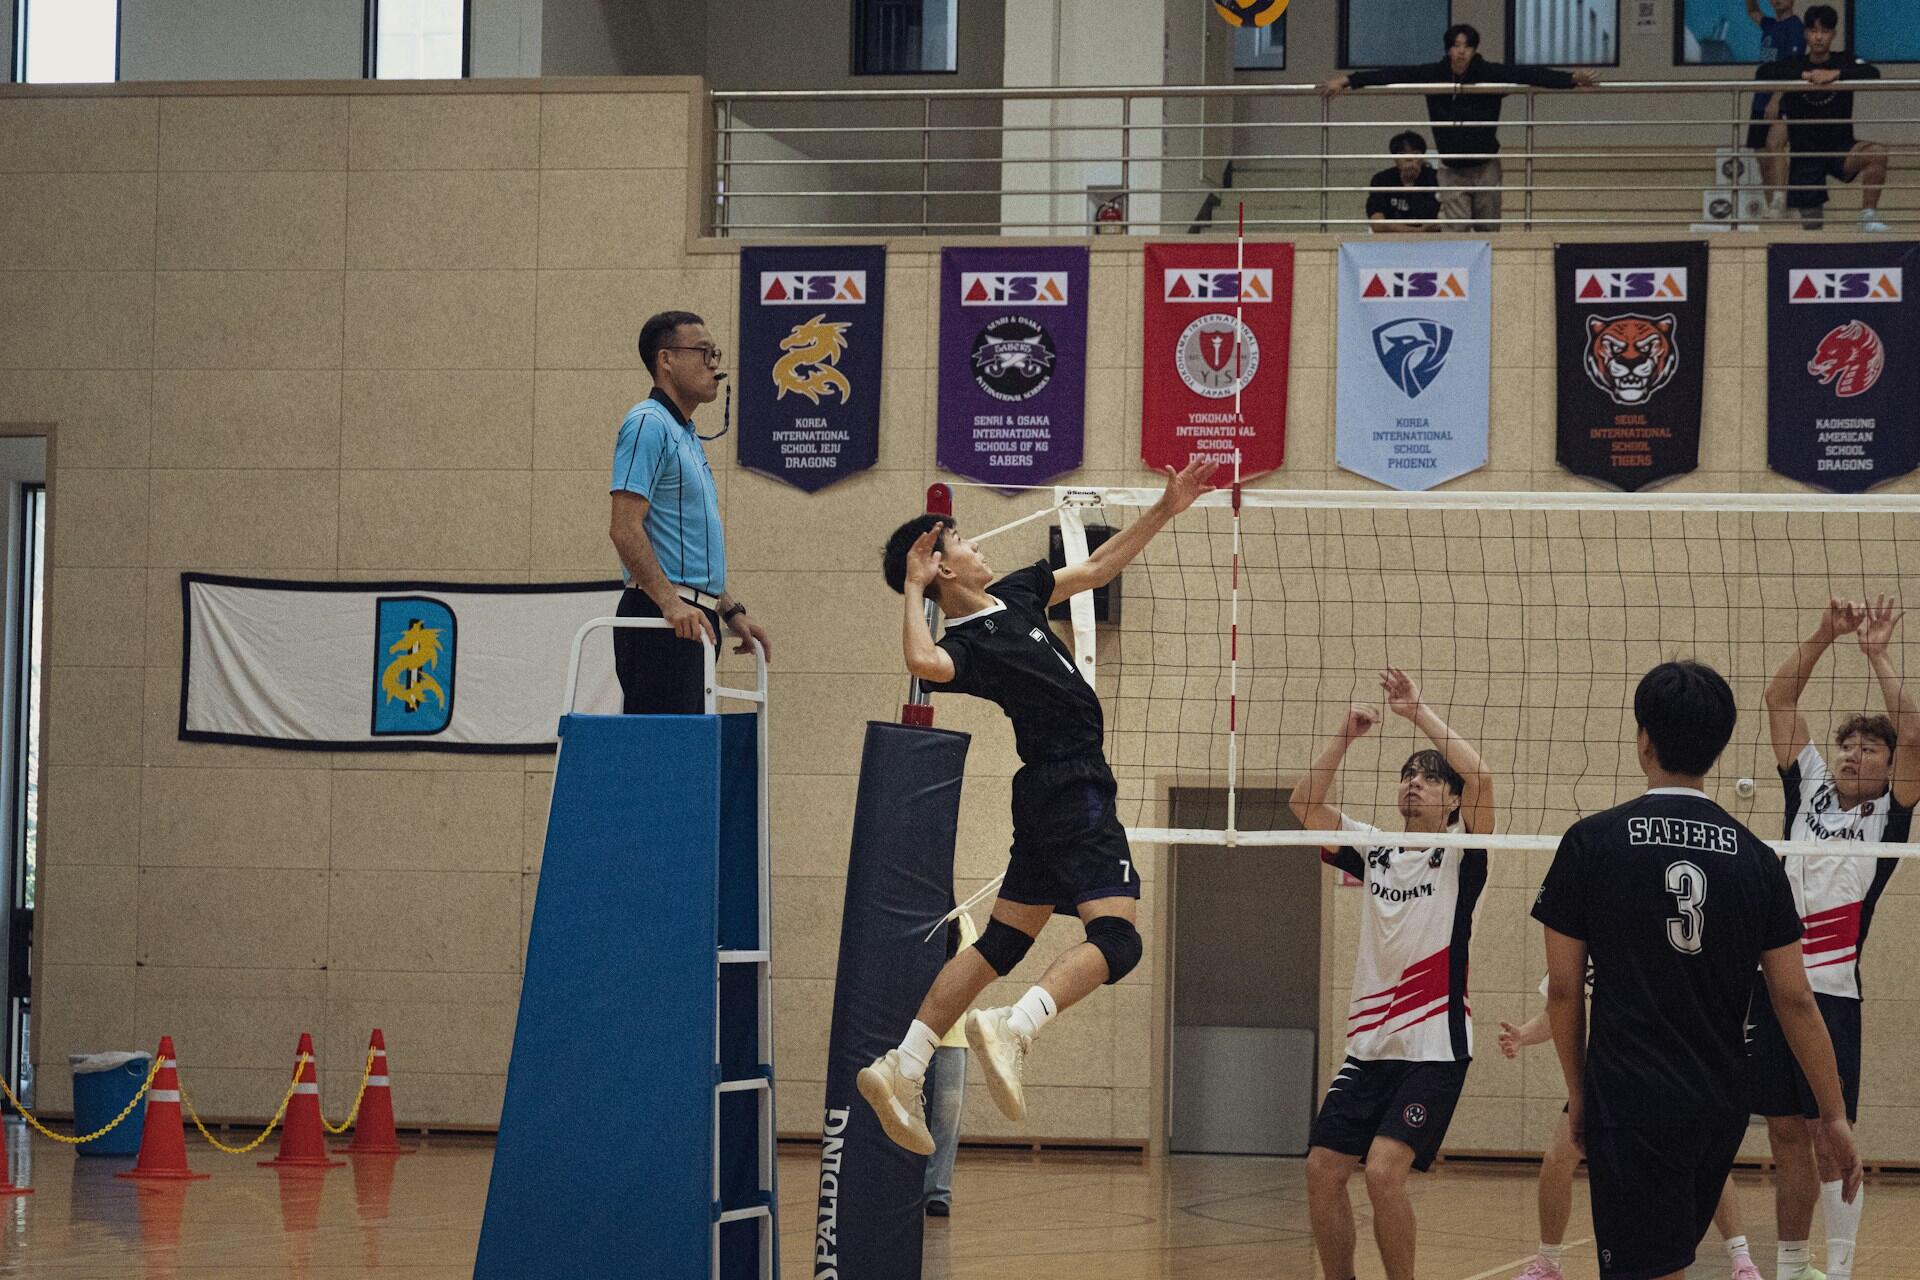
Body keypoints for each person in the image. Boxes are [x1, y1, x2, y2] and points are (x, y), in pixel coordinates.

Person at [856, 459, 1217, 1154]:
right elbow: (924, 663)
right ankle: (1015, 1026)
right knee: (1119, 940)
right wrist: (911, 588)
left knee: (1003, 942)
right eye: (961, 542)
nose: (977, 545)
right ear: (941, 569)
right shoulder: (965, 643)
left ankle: (901, 1065)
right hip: (1071, 784)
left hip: (1049, 792)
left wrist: (1165, 510)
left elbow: (1098, 567)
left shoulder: (1018, 592)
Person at [1531, 660, 1862, 1280]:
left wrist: (1580, 1093)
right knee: (1667, 1262)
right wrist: (1835, 1116)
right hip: (1718, 1104)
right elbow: (1795, 1001)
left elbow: (1566, 992)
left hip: (1630, 1099)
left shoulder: (1591, 843)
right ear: (1716, 748)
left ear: (1644, 741)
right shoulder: (1758, 860)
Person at [1288, 669, 1493, 1280]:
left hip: (1434, 1045)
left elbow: (1482, 776)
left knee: (1381, 1170)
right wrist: (1344, 737)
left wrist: (1417, 711)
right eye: (1408, 774)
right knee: (1322, 1169)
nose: (1415, 784)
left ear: (1451, 800)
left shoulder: (1464, 852)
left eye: (1430, 779)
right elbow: (1303, 806)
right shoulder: (1374, 847)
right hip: (1370, 1046)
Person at [1756, 596, 1917, 1280]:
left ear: (1887, 767)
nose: (1854, 753)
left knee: (1829, 1135)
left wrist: (1877, 654)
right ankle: (1793, 1267)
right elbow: (1778, 698)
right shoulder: (1811, 789)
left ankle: (1842, 1269)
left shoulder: (1890, 816)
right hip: (1768, 986)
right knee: (1786, 1135)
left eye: (1869, 747)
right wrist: (1825, 633)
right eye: (1849, 743)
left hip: (1832, 997)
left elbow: (1916, 734)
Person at [1498, 981, 1762, 1280]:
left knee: (1703, 1162)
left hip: (1674, 1072)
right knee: (1558, 1158)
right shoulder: (1576, 951)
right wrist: (1523, 1036)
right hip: (1613, 1078)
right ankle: (1547, 1263)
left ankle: (1742, 1260)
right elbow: (1557, 1011)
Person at [608, 310, 771, 714]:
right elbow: (624, 528)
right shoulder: (647, 423)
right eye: (702, 352)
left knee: (687, 758)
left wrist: (729, 610)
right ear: (666, 360)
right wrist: (668, 602)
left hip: (692, 616)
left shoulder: (685, 433)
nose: (714, 363)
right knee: (664, 760)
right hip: (663, 619)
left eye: (715, 353)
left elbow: (688, 550)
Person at [1318, 24, 1599, 232]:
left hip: (1485, 166)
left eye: (1466, 45)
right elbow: (1392, 75)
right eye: (1456, 45)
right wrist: (1347, 80)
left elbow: (1529, 75)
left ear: (1474, 49)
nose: (1461, 50)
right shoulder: (1433, 74)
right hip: (1451, 169)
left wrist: (1572, 79)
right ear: (1448, 49)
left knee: (1489, 229)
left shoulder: (1490, 73)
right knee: (1456, 233)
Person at [1761, 5, 1889, 232]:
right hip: (1806, 157)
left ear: (1833, 34)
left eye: (1825, 31)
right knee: (1812, 229)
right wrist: (1802, 76)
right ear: (1805, 34)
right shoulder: (1795, 63)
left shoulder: (1843, 60)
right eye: (1813, 31)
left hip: (1840, 149)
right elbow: (1764, 72)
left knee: (1877, 153)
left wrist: (1836, 74)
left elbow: (1872, 72)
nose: (1818, 37)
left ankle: (1867, 217)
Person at [923, 910, 978, 1218]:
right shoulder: (907, 913)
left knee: (945, 1119)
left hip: (951, 1035)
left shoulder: (963, 919)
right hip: (908, 1032)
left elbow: (969, 975)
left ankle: (937, 1192)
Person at [1744, 0, 1805, 215]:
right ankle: (1773, 206)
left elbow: (1795, 68)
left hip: (1783, 99)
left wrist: (1777, 99)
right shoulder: (1769, 25)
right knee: (1761, 156)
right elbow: (1752, 11)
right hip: (1760, 99)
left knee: (1775, 144)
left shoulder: (1796, 27)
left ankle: (1780, 200)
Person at [1366, 131, 1442, 233]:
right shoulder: (1382, 179)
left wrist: (1409, 185)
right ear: (1394, 158)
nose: (1409, 158)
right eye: (1402, 154)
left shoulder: (1436, 178)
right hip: (1391, 241)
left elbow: (1434, 221)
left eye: (1415, 153)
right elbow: (1377, 223)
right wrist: (1418, 231)